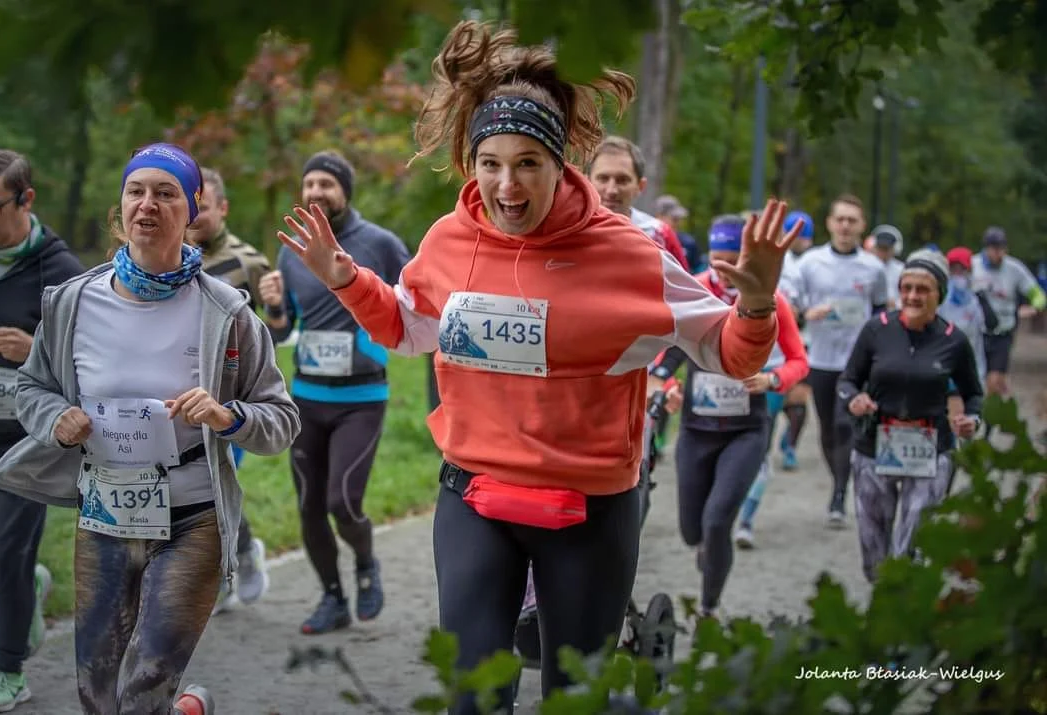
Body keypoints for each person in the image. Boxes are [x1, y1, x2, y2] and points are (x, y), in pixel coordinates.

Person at [274, 21, 799, 713]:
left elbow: (726, 351)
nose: (506, 183)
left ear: (561, 164)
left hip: (589, 507)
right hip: (476, 497)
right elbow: (405, 326)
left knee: (572, 699)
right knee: (474, 699)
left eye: (527, 163)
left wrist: (757, 303)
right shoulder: (449, 238)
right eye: (490, 162)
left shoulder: (631, 256)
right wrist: (347, 279)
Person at [0, 143, 300, 715]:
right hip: (103, 515)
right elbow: (31, 389)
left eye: (166, 193)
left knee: (144, 689)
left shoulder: (226, 312)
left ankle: (171, 703)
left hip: (192, 522)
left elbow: (281, 421)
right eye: (137, 191)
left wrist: (228, 416)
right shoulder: (74, 303)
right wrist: (58, 418)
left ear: (193, 208)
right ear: (121, 204)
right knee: (97, 694)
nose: (148, 205)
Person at [260, 150, 411, 635]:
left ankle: (366, 562)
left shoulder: (381, 244)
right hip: (306, 397)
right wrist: (276, 309)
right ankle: (332, 598)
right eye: (308, 185)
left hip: (361, 399)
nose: (315, 193)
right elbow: (284, 333)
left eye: (326, 184)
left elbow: (414, 307)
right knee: (308, 505)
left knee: (342, 502)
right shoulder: (293, 248)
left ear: (345, 190)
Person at [0, 149, 84, 713]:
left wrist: (34, 350)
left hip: (24, 442)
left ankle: (8, 668)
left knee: (7, 551)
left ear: (26, 199)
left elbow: (91, 362)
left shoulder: (62, 274)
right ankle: (30, 585)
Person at [647, 215, 807, 600]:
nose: (725, 270)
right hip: (696, 430)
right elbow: (662, 356)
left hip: (746, 431)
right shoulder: (695, 290)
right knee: (692, 530)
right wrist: (668, 386)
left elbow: (799, 361)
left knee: (718, 522)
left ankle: (708, 608)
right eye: (717, 260)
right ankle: (707, 549)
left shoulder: (771, 300)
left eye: (733, 259)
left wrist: (772, 380)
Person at [838, 249, 983, 582]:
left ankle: (899, 604)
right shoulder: (876, 330)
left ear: (939, 295)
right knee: (874, 542)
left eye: (923, 289)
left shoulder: (954, 341)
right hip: (876, 443)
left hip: (931, 447)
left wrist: (972, 420)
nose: (913, 296)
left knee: (914, 538)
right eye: (906, 288)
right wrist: (855, 399)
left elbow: (973, 394)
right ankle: (881, 590)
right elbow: (847, 381)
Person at [185, 167, 272, 614]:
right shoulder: (169, 259)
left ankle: (222, 573)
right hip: (181, 396)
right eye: (188, 201)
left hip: (230, 402)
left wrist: (276, 307)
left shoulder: (249, 262)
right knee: (201, 485)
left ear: (223, 208)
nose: (194, 212)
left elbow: (277, 331)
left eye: (203, 204)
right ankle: (242, 550)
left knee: (213, 482)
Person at [795, 194, 888, 528]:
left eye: (852, 220)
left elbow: (881, 312)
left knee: (844, 424)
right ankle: (839, 477)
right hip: (820, 358)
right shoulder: (810, 263)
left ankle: (838, 495)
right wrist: (808, 313)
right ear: (830, 223)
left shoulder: (874, 268)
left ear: (861, 226)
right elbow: (793, 309)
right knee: (827, 430)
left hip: (857, 363)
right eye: (841, 219)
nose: (846, 225)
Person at [585, 136, 691, 271]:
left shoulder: (660, 234)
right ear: (587, 182)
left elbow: (685, 290)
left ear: (640, 186)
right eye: (603, 179)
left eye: (622, 180)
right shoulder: (569, 232)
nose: (611, 190)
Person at [972, 227, 1046, 400]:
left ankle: (990, 419)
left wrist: (1035, 307)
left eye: (1001, 248)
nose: (998, 253)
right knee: (977, 377)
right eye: (994, 248)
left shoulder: (1014, 268)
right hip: (977, 332)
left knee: (994, 379)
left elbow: (1037, 294)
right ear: (986, 248)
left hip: (1003, 333)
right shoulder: (973, 266)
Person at [775, 209, 814, 471]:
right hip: (773, 342)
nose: (799, 239)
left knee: (798, 399)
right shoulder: (776, 258)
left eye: (804, 235)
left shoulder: (817, 262)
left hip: (805, 338)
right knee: (772, 396)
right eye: (794, 233)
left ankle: (789, 445)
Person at [939, 247, 997, 385]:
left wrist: (983, 300)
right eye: (953, 269)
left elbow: (992, 324)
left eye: (961, 269)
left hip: (972, 370)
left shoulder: (976, 300)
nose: (957, 274)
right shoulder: (939, 299)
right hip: (944, 369)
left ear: (969, 270)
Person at [653, 194, 702, 272]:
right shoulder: (648, 239)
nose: (679, 223)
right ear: (659, 217)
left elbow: (699, 271)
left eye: (679, 219)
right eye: (675, 219)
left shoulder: (688, 243)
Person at [865, 224, 905, 308]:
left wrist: (895, 304)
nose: (883, 252)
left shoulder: (902, 270)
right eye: (880, 248)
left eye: (886, 249)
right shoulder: (866, 266)